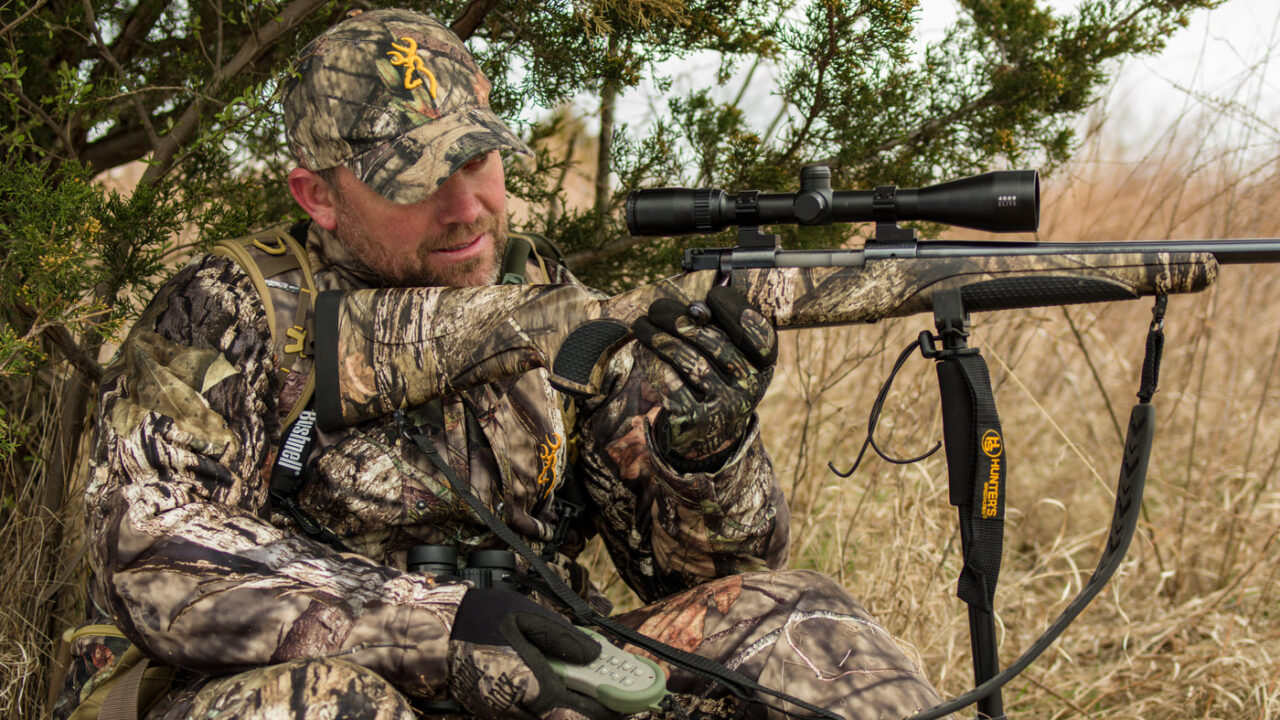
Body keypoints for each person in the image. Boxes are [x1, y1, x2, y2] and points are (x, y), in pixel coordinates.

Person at [59, 8, 949, 720]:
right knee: (331, 705)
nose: (467, 207)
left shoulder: (547, 298)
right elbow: (146, 548)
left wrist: (705, 447)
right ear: (317, 197)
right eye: (414, 180)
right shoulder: (231, 308)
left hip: (542, 667)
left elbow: (701, 578)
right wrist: (444, 629)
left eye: (478, 159)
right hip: (311, 680)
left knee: (800, 624)